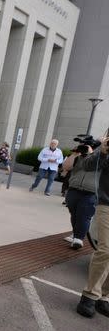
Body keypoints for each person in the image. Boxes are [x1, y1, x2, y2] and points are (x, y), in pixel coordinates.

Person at [76, 134, 109, 318]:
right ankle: (89, 295)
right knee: (106, 250)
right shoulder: (105, 148)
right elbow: (88, 165)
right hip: (107, 206)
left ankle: (104, 296)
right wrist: (101, 152)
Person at [61, 145, 97, 249]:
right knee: (75, 214)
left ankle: (78, 239)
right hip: (74, 189)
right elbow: (66, 167)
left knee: (84, 215)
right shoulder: (79, 157)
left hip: (91, 192)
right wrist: (76, 152)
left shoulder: (101, 157)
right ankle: (76, 234)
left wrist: (91, 154)